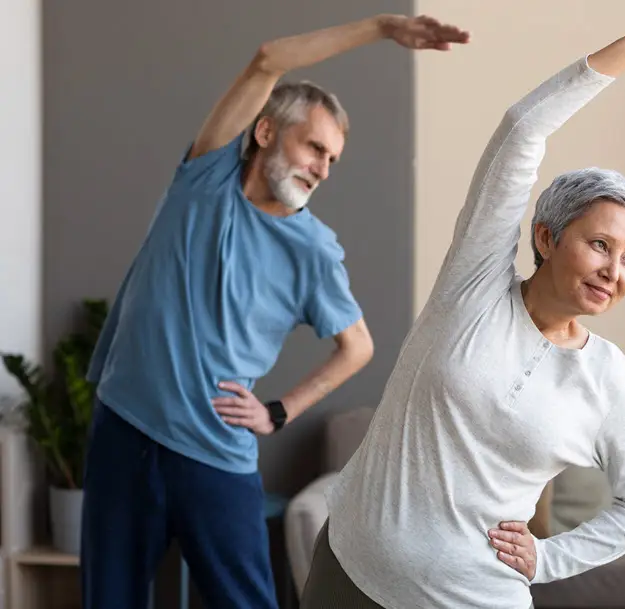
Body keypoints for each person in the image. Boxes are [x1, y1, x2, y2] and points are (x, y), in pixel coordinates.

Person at [299, 21, 625, 609]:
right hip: (348, 575)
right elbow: (523, 127)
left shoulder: (606, 376)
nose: (613, 270)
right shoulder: (474, 287)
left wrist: (551, 558)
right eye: (599, 245)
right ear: (545, 236)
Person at [80, 13, 470, 609]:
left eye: (333, 159)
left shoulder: (314, 251)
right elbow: (269, 59)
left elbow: (357, 346)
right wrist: (385, 28)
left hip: (212, 454)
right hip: (124, 431)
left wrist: (278, 412)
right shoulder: (204, 178)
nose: (322, 167)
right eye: (315, 146)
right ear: (264, 132)